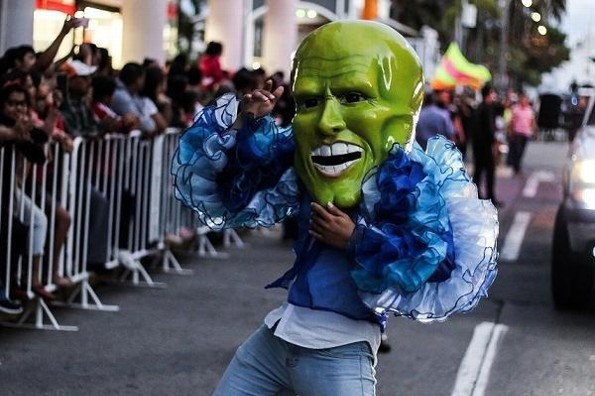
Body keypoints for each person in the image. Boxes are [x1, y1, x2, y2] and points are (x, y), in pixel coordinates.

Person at [173, 21, 498, 395]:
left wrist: (357, 239)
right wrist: (251, 123)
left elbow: (437, 261)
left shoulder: (409, 183)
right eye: (309, 102)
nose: (327, 122)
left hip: (339, 353)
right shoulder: (304, 160)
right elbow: (235, 190)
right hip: (275, 340)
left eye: (353, 97)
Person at [472, 84, 502, 207]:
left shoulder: (478, 108)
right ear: (489, 94)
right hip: (486, 145)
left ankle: (475, 196)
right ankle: (491, 197)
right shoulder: (488, 109)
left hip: (477, 145)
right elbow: (490, 129)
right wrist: (494, 143)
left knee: (478, 172)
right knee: (489, 172)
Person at [507, 92, 535, 175]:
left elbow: (532, 121)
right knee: (517, 151)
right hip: (517, 132)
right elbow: (512, 121)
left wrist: (532, 129)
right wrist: (511, 131)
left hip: (525, 133)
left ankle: (517, 166)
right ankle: (516, 168)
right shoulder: (516, 109)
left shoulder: (529, 110)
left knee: (522, 151)